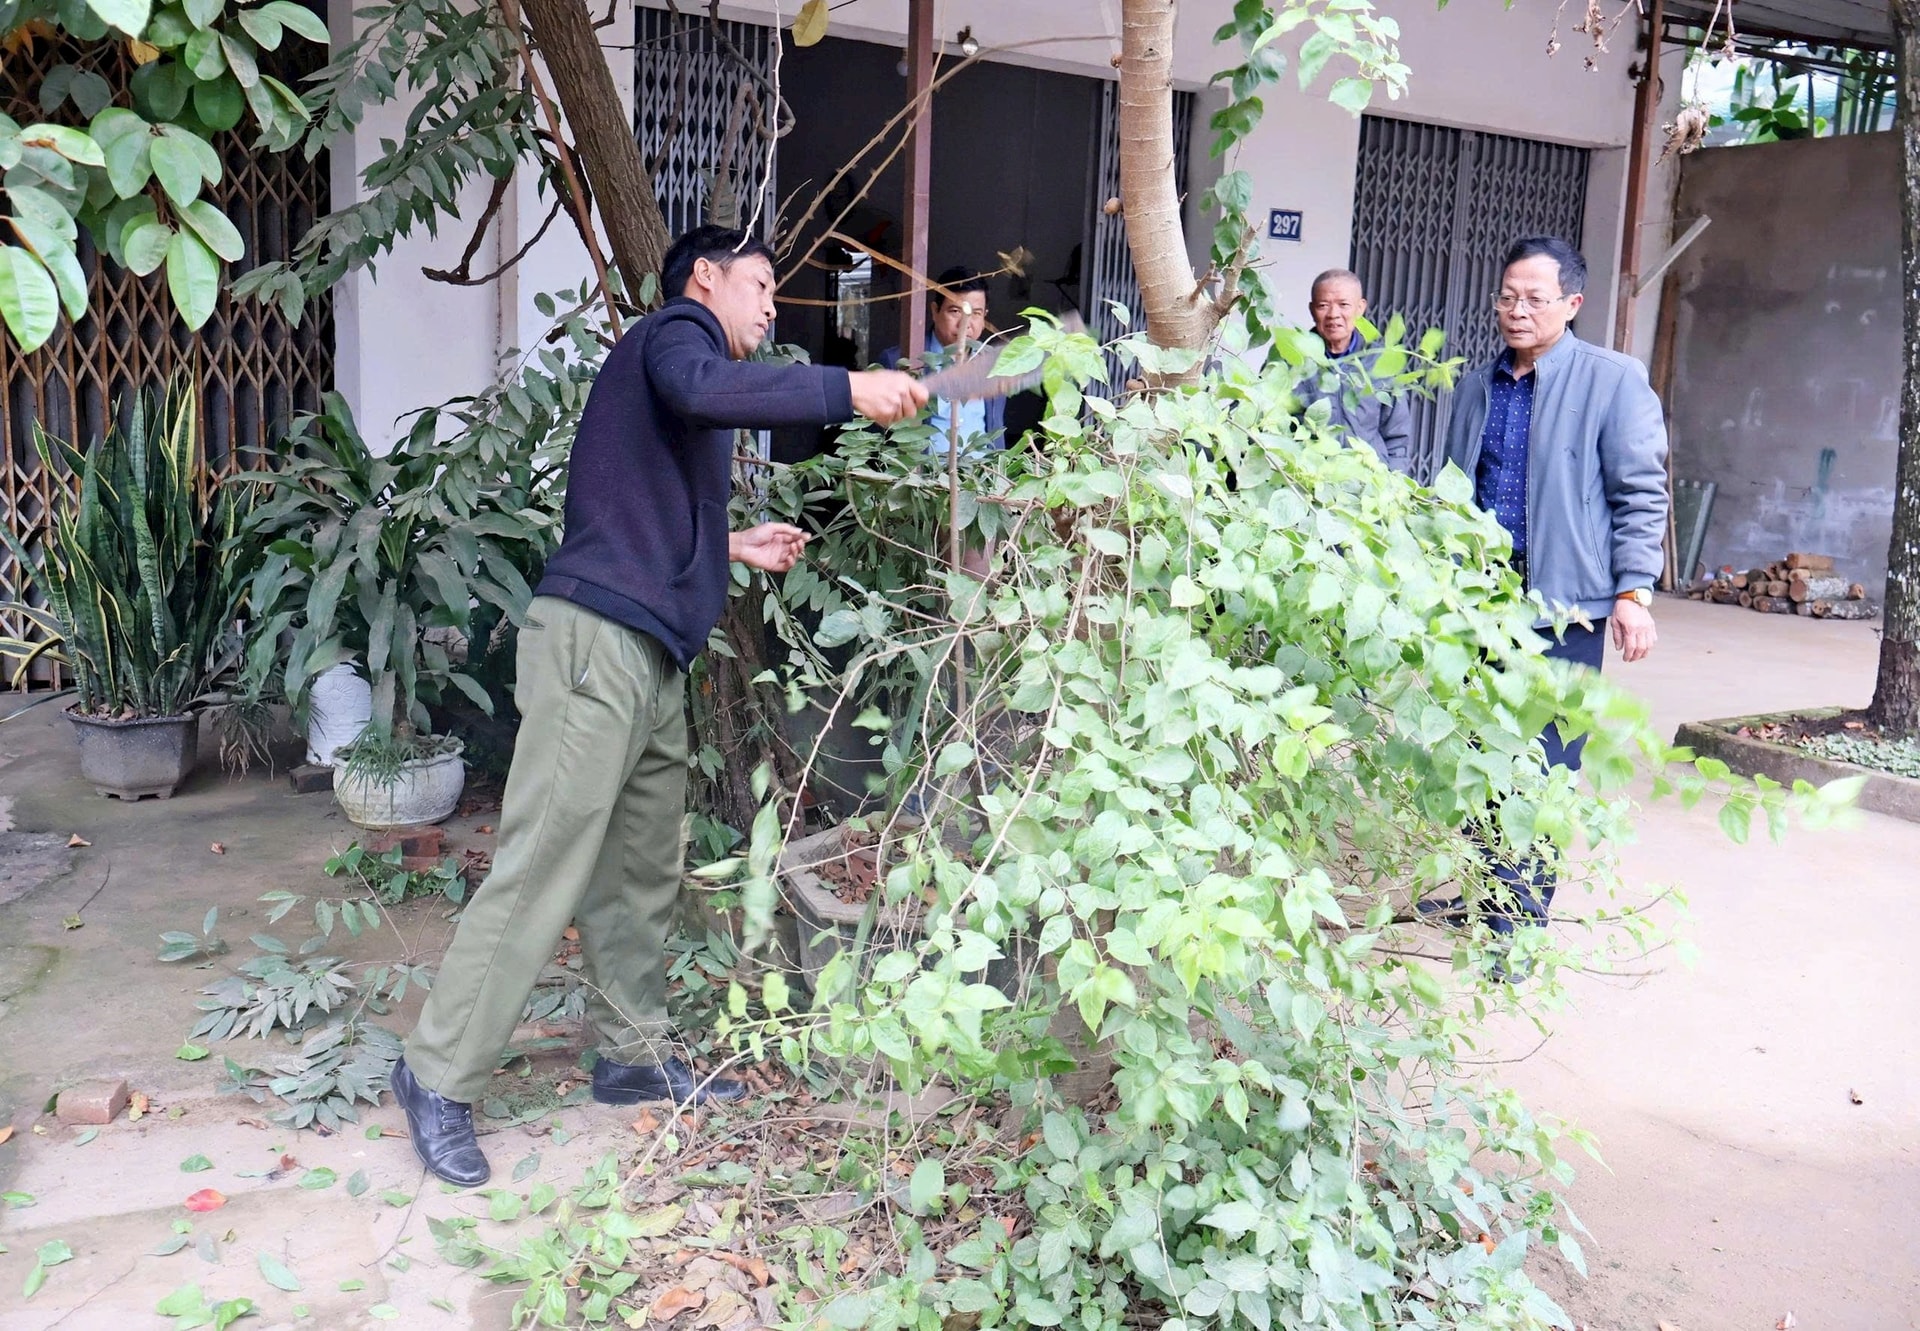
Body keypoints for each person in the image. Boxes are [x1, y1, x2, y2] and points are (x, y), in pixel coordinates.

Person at [389, 226, 927, 1187]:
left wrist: (729, 547)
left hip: (647, 651)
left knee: (642, 865)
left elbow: (634, 514)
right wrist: (846, 389)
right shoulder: (673, 338)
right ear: (706, 278)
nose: (770, 305)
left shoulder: (686, 378)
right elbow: (698, 389)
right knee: (546, 857)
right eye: (760, 284)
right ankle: (435, 1073)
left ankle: (631, 1055)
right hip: (594, 641)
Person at [1425, 235, 1667, 948]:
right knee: (1478, 753)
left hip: (1566, 607)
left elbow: (1640, 490)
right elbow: (1453, 486)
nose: (1517, 310)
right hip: (1482, 604)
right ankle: (1480, 895)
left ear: (1572, 303)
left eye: (1534, 297)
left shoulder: (1613, 379)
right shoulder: (1479, 384)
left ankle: (1519, 926)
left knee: (1546, 765)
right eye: (1507, 295)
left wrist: (1633, 592)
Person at [880, 266, 1006, 454]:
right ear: (935, 311)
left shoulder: (996, 365)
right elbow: (881, 440)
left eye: (976, 314)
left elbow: (995, 429)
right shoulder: (899, 361)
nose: (966, 323)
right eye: (955, 311)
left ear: (985, 315)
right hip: (923, 481)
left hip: (982, 479)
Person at [1300, 268, 1412, 473]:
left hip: (1366, 488)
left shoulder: (1380, 363)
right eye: (1323, 305)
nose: (1334, 315)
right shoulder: (1293, 359)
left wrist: (1393, 485)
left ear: (1360, 308)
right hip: (1306, 484)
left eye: (1344, 305)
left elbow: (1398, 438)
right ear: (1311, 309)